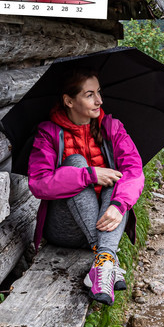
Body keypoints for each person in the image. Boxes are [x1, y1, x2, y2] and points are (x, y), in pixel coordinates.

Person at [26, 68, 144, 306]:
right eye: (89, 94)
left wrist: (120, 206)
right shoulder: (48, 133)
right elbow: (38, 184)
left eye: (98, 92)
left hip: (107, 222)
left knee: (117, 179)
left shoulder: (112, 127)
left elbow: (134, 171)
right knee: (76, 164)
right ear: (69, 101)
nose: (99, 100)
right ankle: (107, 258)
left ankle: (103, 261)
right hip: (65, 228)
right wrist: (88, 175)